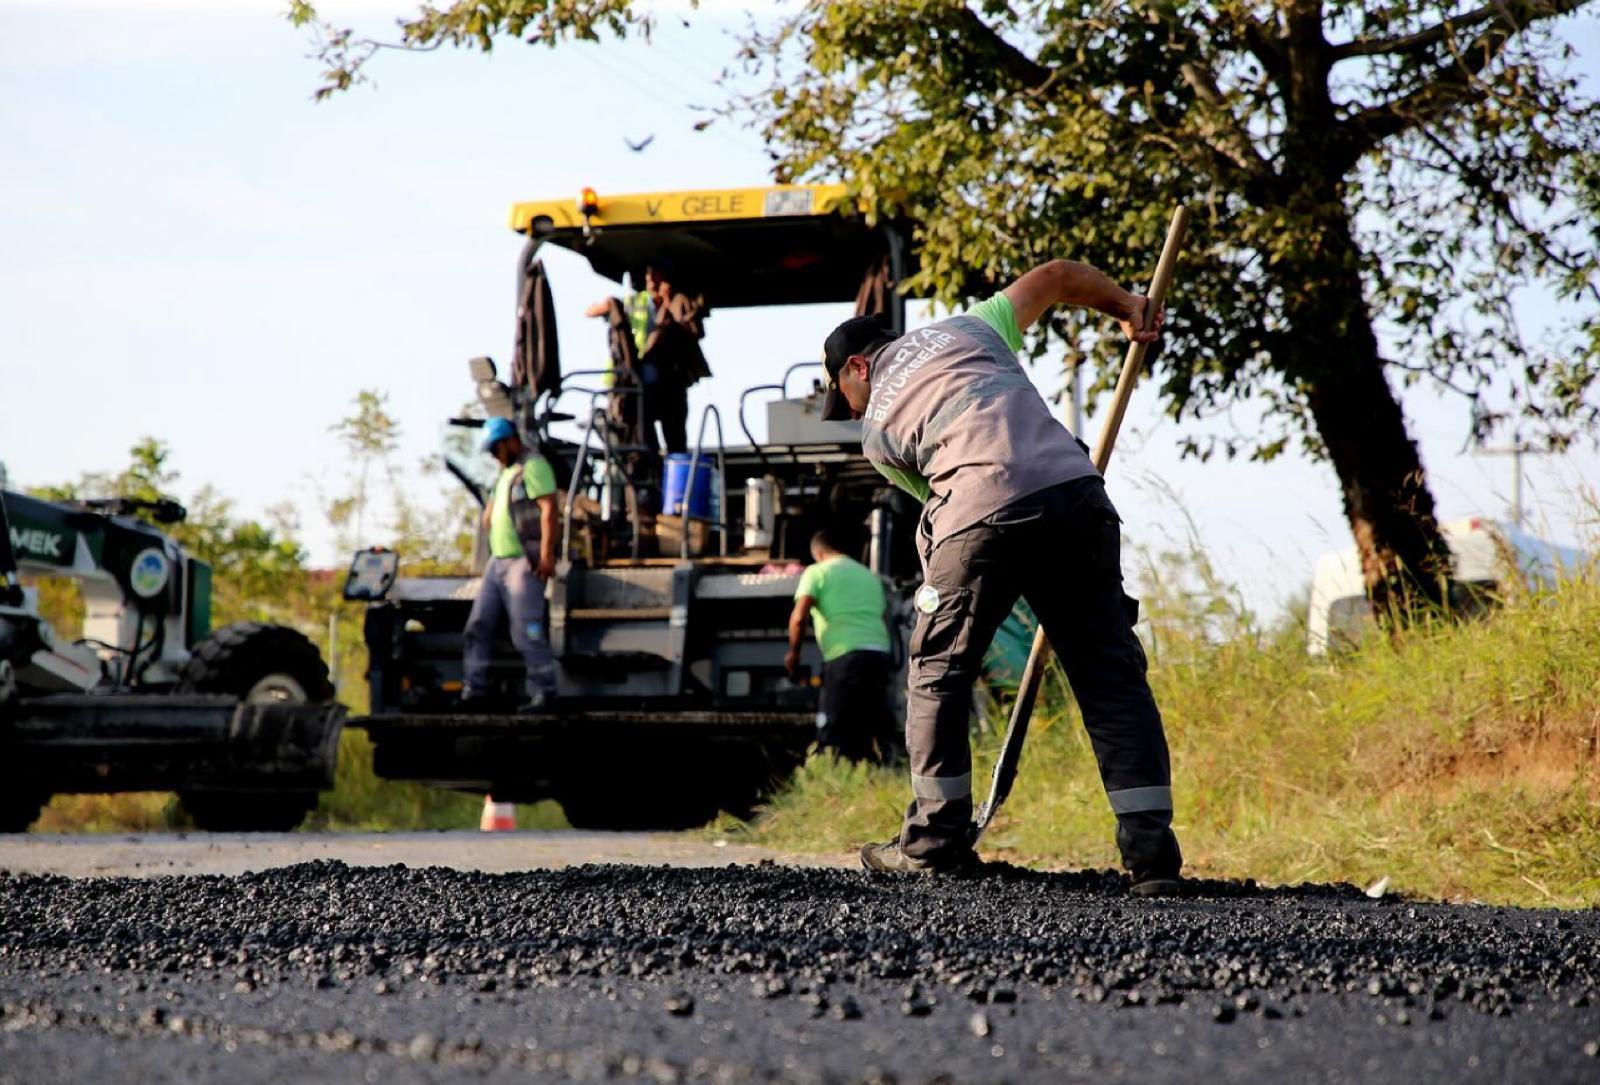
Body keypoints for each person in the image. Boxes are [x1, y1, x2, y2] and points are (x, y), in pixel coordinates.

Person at [817, 258, 1183, 895]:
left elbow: (946, 525)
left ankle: (933, 844)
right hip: (1076, 497)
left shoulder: (877, 432)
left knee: (936, 673)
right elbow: (1059, 275)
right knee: (1110, 678)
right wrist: (1129, 306)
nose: (850, 411)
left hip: (978, 510)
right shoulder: (972, 327)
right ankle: (1153, 861)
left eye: (842, 399)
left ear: (857, 367)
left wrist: (952, 608)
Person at [461, 417, 560, 711]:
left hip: (522, 562)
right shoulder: (506, 473)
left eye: (496, 448)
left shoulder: (534, 467)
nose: (493, 454)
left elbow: (549, 509)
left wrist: (546, 554)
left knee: (525, 630)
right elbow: (492, 511)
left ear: (511, 441)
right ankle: (474, 690)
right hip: (497, 563)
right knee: (478, 625)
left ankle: (545, 692)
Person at [785, 530, 897, 762]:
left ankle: (833, 777)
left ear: (818, 552)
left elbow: (798, 618)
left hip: (844, 655)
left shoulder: (817, 571)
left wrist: (793, 655)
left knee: (834, 727)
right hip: (878, 655)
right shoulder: (868, 575)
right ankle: (876, 775)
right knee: (870, 725)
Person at [587, 261, 711, 453]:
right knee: (643, 439)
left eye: (656, 275)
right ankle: (649, 471)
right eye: (648, 275)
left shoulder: (678, 304)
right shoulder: (636, 303)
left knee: (675, 439)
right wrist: (611, 305)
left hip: (670, 385)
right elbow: (590, 311)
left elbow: (693, 330)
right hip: (639, 385)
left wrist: (669, 302)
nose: (651, 280)